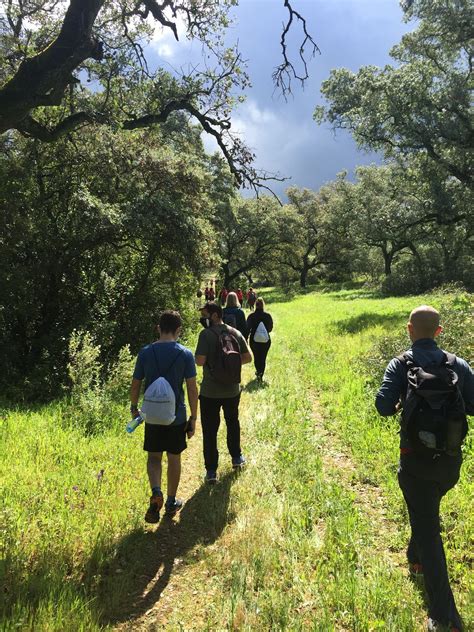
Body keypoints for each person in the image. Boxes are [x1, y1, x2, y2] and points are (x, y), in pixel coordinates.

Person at [375, 305, 473, 632]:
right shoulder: (457, 364)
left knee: (429, 530)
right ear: (439, 331)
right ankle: (414, 559)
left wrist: (406, 400)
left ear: (409, 329)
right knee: (425, 511)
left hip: (415, 462)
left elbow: (383, 407)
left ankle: (444, 615)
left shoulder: (400, 364)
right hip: (450, 464)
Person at [130, 310, 198, 524]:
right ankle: (170, 502)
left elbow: (136, 383)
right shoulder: (185, 354)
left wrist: (134, 407)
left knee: (154, 457)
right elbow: (192, 389)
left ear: (158, 328)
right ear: (178, 330)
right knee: (174, 457)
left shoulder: (145, 352)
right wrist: (193, 417)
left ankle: (156, 491)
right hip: (176, 417)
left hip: (152, 416)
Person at [195, 301, 252, 483]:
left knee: (210, 430)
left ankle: (211, 471)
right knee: (232, 422)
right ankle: (236, 457)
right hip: (232, 390)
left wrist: (217, 365)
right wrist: (229, 366)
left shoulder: (205, 335)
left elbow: (200, 361)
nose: (203, 318)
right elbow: (248, 357)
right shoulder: (235, 332)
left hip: (210, 391)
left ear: (214, 315)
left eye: (205, 314)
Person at [246, 297, 273, 381]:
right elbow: (270, 328)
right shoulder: (267, 316)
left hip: (254, 340)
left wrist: (246, 338)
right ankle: (261, 373)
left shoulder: (251, 316)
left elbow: (247, 328)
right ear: (263, 305)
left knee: (256, 357)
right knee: (263, 358)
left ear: (255, 305)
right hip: (265, 340)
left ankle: (258, 372)